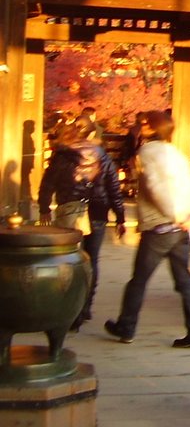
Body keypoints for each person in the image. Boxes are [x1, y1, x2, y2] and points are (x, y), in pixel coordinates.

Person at [104, 111, 190, 348]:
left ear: (150, 128)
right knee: (185, 281)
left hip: (160, 226)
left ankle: (126, 326)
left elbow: (156, 188)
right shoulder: (175, 153)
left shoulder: (147, 153)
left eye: (143, 124)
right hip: (181, 227)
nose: (140, 127)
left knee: (139, 280)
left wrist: (176, 214)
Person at [39, 114, 127, 329]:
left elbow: (48, 183)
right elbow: (113, 188)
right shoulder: (102, 155)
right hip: (97, 210)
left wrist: (44, 209)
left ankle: (69, 309)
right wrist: (120, 217)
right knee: (92, 260)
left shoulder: (62, 155)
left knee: (68, 261)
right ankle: (85, 307)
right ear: (90, 132)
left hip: (69, 212)